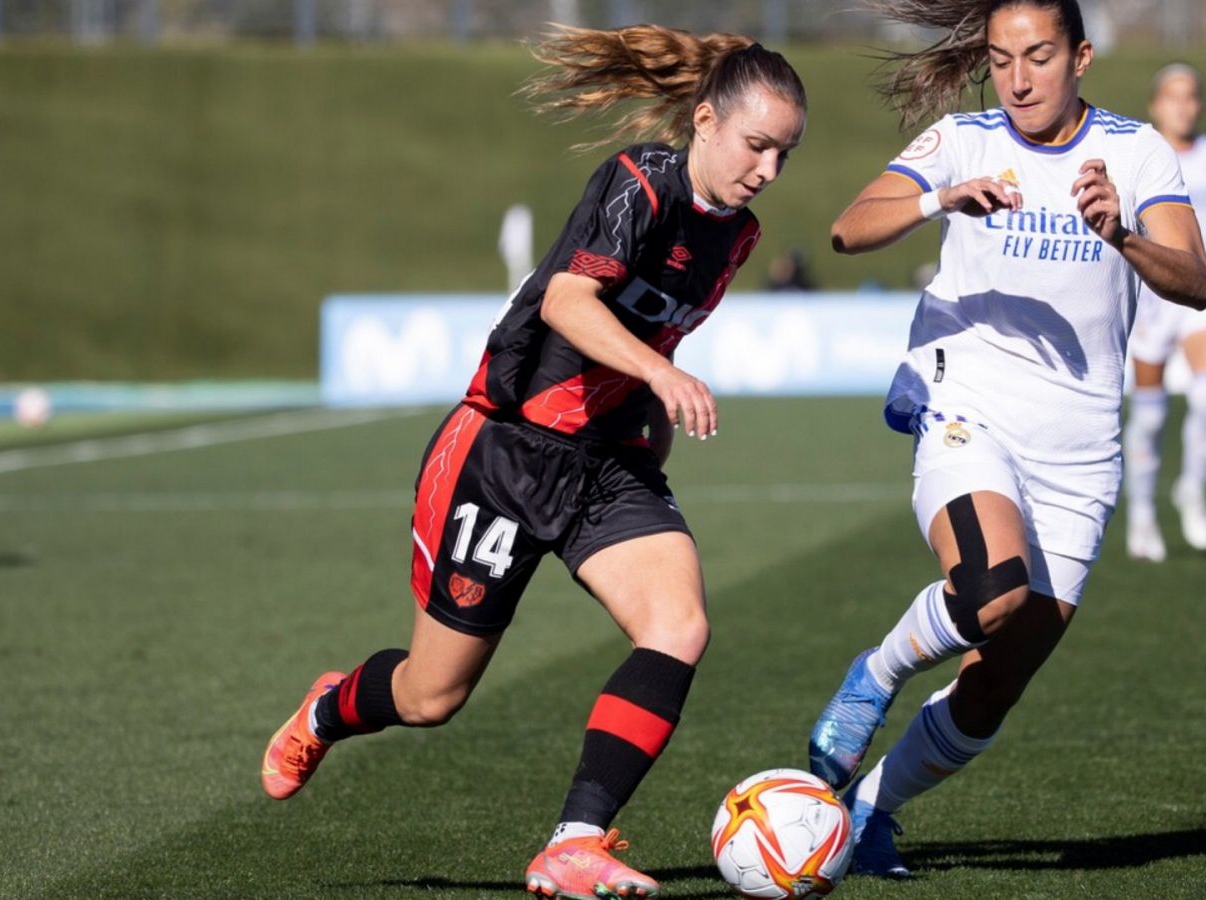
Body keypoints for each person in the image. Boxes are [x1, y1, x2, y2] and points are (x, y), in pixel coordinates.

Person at [260, 25, 805, 900]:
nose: (768, 170)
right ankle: (329, 708)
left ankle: (575, 841)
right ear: (705, 121)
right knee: (432, 697)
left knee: (680, 625)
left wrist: (647, 415)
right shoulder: (637, 184)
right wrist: (661, 375)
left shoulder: (736, 236)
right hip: (504, 452)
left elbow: (656, 327)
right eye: (757, 145)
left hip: (606, 461)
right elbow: (567, 300)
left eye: (784, 152)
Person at [806, 0, 1206, 878]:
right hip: (969, 405)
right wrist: (936, 198)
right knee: (993, 591)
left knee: (1000, 676)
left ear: (1082, 57)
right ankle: (873, 674)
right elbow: (847, 228)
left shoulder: (1137, 152)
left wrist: (1124, 234)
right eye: (1000, 59)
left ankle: (871, 813)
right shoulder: (963, 140)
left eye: (1037, 57)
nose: (1018, 79)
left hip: (1080, 450)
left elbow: (1195, 282)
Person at [1123, 62, 1206, 561]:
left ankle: (1192, 488)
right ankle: (1142, 515)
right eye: (1173, 96)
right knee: (1149, 415)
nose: (1183, 105)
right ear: (1155, 105)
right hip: (1155, 295)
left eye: (1191, 96)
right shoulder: (1139, 153)